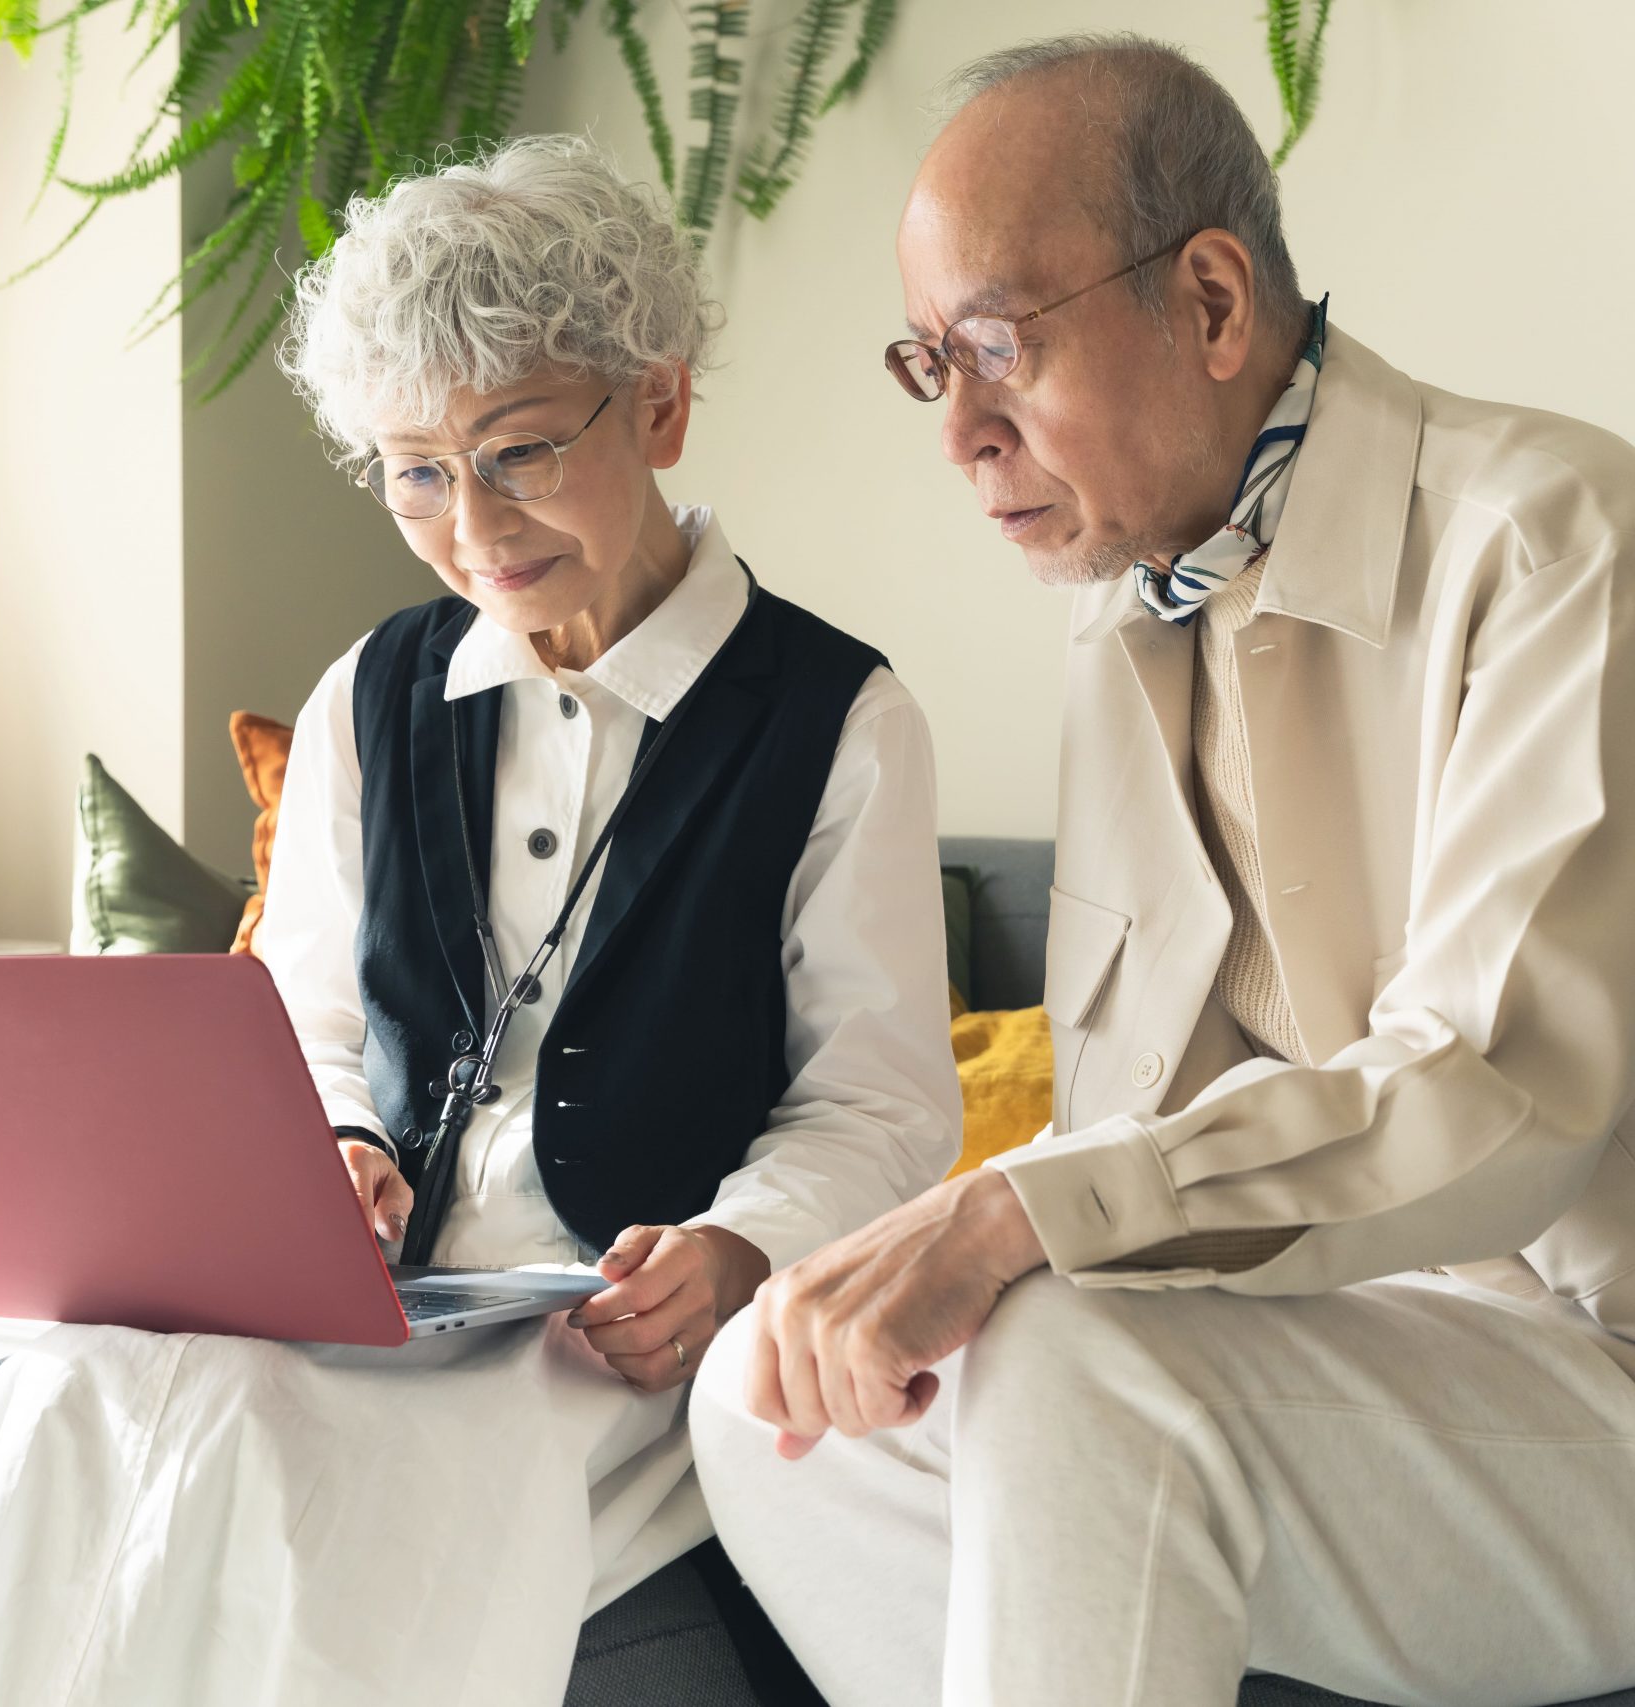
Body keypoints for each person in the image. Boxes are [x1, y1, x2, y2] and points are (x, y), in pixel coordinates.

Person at [0, 136, 959, 1706]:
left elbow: (878, 1100)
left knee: (327, 1529)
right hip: (367, 1304)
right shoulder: (375, 692)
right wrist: (331, 1148)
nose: (472, 525)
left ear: (661, 404)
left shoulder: (842, 720)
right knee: (49, 1431)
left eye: (521, 450)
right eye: (417, 469)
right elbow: (308, 1021)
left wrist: (741, 1248)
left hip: (598, 1342)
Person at [690, 34, 1635, 1707]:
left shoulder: (1553, 534)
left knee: (1070, 1357)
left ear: (1210, 303)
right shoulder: (1128, 607)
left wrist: (1013, 1211)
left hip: (1595, 1373)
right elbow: (1139, 1103)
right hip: (1360, 1361)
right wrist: (887, 1261)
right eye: (930, 365)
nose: (963, 433)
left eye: (997, 348)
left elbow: (1496, 1098)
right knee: (761, 1399)